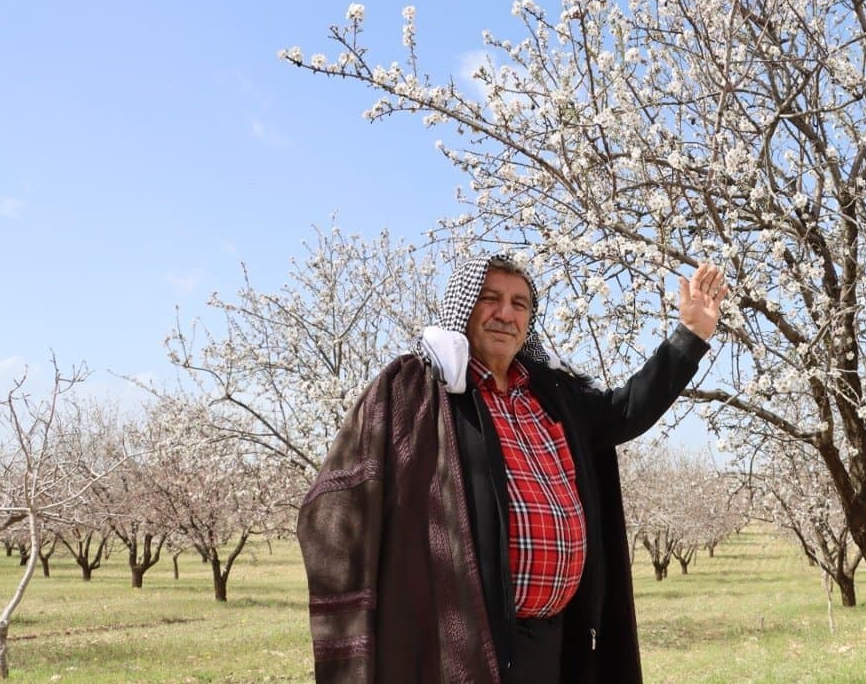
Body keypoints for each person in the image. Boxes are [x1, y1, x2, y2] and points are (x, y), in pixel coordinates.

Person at [297, 253, 727, 684]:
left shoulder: (554, 393)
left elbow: (626, 411)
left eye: (519, 304)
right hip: (463, 650)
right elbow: (340, 500)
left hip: (554, 643)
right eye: (490, 299)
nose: (505, 314)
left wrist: (690, 337)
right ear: (463, 309)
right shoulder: (420, 392)